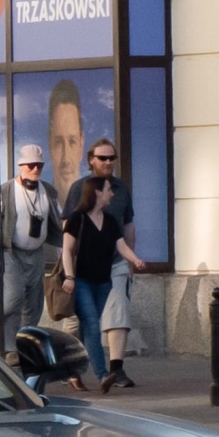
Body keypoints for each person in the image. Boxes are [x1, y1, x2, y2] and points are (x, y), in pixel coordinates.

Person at [65, 139, 141, 388]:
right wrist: (68, 272)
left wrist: (132, 260)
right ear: (91, 160)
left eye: (112, 158)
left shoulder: (121, 189)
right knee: (85, 321)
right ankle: (71, 367)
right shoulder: (79, 188)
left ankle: (114, 369)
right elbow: (68, 232)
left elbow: (127, 228)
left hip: (115, 264)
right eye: (103, 158)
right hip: (84, 269)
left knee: (118, 312)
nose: (108, 162)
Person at [0, 144, 58, 358]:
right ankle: (7, 344)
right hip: (12, 252)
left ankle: (22, 346)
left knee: (34, 303)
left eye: (39, 166)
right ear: (21, 166)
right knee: (13, 298)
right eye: (31, 165)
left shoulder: (47, 191)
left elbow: (57, 220)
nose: (35, 170)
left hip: (37, 252)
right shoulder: (6, 190)